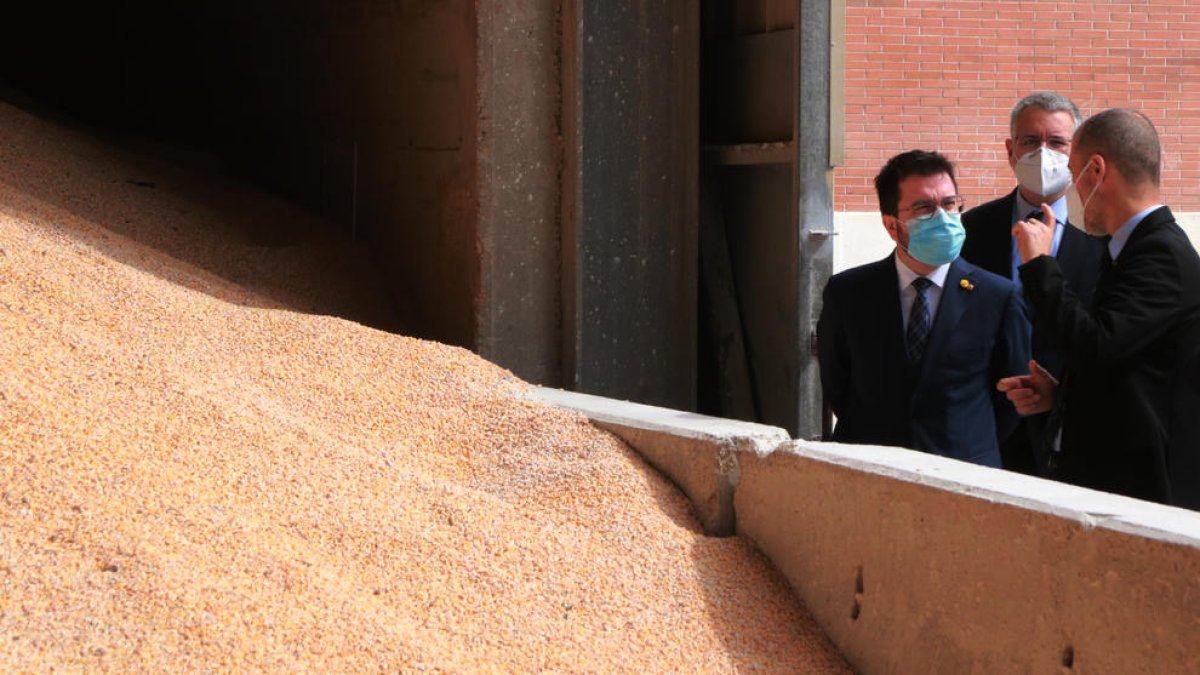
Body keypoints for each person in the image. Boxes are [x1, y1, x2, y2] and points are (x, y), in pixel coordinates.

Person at [1000, 108, 1200, 509]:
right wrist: (1060, 397)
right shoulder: (1126, 248)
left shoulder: (1161, 254)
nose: (1070, 188)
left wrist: (1039, 266)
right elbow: (1123, 364)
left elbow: (1095, 347)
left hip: (1143, 494)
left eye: (1073, 173)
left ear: (1096, 171)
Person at [818, 150, 1031, 466]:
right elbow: (838, 385)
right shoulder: (848, 293)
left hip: (964, 472)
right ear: (892, 226)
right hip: (870, 470)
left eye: (949, 204)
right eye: (924, 208)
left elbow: (1011, 398)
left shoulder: (997, 296)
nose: (942, 217)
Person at [961, 93, 1107, 475]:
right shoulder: (971, 231)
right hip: (987, 429)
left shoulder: (1105, 234)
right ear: (1010, 150)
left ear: (1077, 153)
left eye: (1057, 142)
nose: (1043, 153)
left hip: (1073, 431)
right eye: (1030, 141)